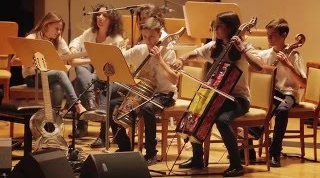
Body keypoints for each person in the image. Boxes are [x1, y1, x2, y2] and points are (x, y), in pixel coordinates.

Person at [173, 12, 263, 177]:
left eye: (219, 26)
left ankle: (236, 165)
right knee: (197, 112)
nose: (216, 29)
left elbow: (259, 67)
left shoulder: (245, 47)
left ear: (230, 28)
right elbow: (196, 53)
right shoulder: (216, 46)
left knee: (222, 120)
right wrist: (182, 59)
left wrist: (242, 50)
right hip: (217, 96)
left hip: (238, 99)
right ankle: (197, 159)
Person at [89, 17, 178, 166]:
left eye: (152, 37)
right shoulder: (139, 50)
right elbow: (118, 59)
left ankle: (151, 153)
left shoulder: (168, 52)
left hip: (163, 95)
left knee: (147, 108)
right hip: (140, 93)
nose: (148, 41)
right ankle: (125, 148)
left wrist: (160, 60)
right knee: (112, 104)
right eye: (145, 37)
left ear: (159, 34)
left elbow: (174, 80)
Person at [247, 18, 307, 167]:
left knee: (282, 110)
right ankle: (248, 151)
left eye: (272, 35)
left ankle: (275, 152)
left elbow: (303, 83)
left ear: (284, 35)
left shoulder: (294, 55)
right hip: (271, 93)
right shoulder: (265, 55)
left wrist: (288, 65)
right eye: (267, 35)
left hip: (288, 93)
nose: (268, 38)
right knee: (249, 103)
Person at [11, 12, 87, 115]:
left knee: (58, 86)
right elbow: (13, 62)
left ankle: (54, 116)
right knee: (60, 73)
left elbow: (70, 59)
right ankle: (76, 103)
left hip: (49, 76)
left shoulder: (58, 39)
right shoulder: (32, 38)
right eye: (57, 29)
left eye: (60, 29)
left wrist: (89, 57)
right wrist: (30, 60)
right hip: (32, 77)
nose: (59, 32)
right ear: (46, 25)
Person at [68, 4, 126, 138]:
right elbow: (77, 41)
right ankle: (91, 101)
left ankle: (94, 131)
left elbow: (117, 64)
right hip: (88, 69)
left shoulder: (117, 40)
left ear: (112, 19)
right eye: (98, 14)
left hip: (105, 73)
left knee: (78, 83)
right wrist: (73, 48)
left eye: (104, 15)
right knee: (80, 69)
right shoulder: (91, 32)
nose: (100, 17)